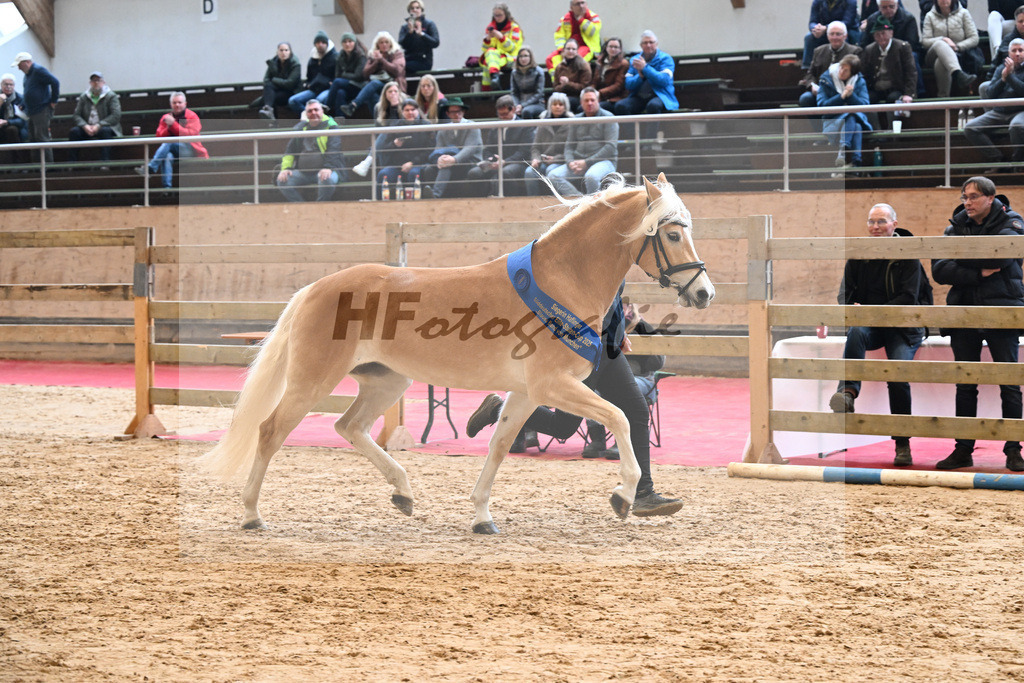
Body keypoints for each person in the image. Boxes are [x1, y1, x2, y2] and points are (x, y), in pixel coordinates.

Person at [465, 284, 684, 517]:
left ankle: (643, 493)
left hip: (609, 346)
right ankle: (498, 409)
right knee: (563, 427)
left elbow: (613, 294)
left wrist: (620, 330)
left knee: (637, 410)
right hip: (584, 346)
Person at [931, 177, 1024, 472]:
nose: (967, 202)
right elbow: (939, 269)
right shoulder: (953, 227)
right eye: (964, 197)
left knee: (1009, 384)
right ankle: (963, 450)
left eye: (972, 197)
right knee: (965, 383)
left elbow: (1003, 256)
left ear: (990, 197)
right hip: (964, 313)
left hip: (1003, 311)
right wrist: (980, 273)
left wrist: (962, 259)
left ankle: (1013, 450)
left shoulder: (1013, 221)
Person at [828, 203, 929, 467]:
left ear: (894, 224)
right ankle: (847, 392)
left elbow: (908, 298)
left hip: (904, 327)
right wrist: (852, 308)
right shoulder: (858, 255)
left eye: (881, 221)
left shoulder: (909, 255)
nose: (875, 227)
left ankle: (902, 443)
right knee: (856, 331)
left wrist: (870, 311)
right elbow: (844, 295)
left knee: (896, 376)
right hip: (871, 325)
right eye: (871, 222)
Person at [964, 38, 1024, 172]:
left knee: (1017, 126)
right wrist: (1003, 79)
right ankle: (998, 159)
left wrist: (1009, 76)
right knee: (970, 128)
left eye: (1021, 50)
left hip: (1020, 110)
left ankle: (1017, 163)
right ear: (1009, 54)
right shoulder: (1000, 69)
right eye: (1014, 51)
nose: (1017, 53)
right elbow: (990, 95)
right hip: (999, 111)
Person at [547, 87, 617, 196]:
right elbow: (569, 146)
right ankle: (580, 202)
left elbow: (610, 147)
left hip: (604, 161)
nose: (589, 103)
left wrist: (587, 162)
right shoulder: (576, 119)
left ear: (598, 101)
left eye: (592, 100)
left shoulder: (608, 117)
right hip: (578, 162)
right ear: (581, 102)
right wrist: (570, 162)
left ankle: (593, 207)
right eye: (586, 100)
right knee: (553, 175)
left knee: (591, 177)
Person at [134, 91, 209, 189]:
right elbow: (159, 137)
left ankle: (151, 168)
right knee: (167, 156)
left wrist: (173, 124)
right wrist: (168, 128)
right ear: (171, 104)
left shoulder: (192, 116)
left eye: (179, 102)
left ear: (185, 104)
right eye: (174, 103)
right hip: (173, 150)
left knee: (169, 143)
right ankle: (167, 189)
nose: (177, 105)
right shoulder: (166, 118)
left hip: (190, 150)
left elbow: (190, 135)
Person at [275, 99, 345, 203]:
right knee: (282, 181)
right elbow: (289, 151)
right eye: (310, 111)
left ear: (322, 111)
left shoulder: (331, 127)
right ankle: (302, 207)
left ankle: (319, 207)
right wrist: (285, 168)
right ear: (306, 114)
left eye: (316, 110)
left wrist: (328, 168)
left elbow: (333, 150)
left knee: (327, 179)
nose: (313, 113)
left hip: (328, 170)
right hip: (303, 173)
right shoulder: (300, 128)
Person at [466, 94, 534, 196]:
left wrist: (505, 161)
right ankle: (480, 203)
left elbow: (524, 152)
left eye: (505, 114)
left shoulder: (525, 126)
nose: (502, 117)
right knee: (474, 173)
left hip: (518, 163)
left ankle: (512, 202)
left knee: (505, 172)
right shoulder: (495, 127)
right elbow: (488, 149)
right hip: (496, 163)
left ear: (514, 109)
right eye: (500, 115)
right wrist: (491, 160)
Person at [817, 54, 871, 173]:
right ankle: (855, 160)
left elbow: (865, 105)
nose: (841, 71)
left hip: (851, 123)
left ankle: (844, 152)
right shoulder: (826, 79)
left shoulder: (859, 82)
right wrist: (841, 97)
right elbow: (822, 105)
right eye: (841, 67)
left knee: (853, 119)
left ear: (853, 73)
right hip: (832, 121)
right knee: (852, 118)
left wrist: (851, 96)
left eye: (846, 70)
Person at [861, 17, 917, 128]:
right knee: (867, 99)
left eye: (883, 33)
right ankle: (874, 131)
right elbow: (864, 74)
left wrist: (909, 93)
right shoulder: (869, 50)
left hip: (896, 87)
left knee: (894, 99)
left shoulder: (902, 47)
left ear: (891, 33)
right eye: (877, 34)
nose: (881, 37)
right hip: (876, 88)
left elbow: (911, 72)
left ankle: (892, 132)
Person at [422, 97, 483, 199]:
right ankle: (433, 195)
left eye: (459, 111)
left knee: (447, 165)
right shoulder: (443, 129)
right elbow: (438, 150)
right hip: (450, 163)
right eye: (453, 112)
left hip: (470, 161)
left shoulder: (472, 126)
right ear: (448, 113)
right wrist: (439, 159)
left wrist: (454, 159)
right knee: (429, 168)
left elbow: (469, 149)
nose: (457, 114)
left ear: (463, 112)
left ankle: (435, 195)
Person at [614, 31, 678, 125]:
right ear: (641, 45)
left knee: (653, 105)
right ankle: (631, 138)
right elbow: (628, 84)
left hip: (660, 96)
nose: (648, 45)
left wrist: (645, 68)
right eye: (645, 43)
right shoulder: (634, 60)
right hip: (639, 97)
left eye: (651, 42)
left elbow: (663, 80)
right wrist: (640, 76)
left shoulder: (666, 59)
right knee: (620, 106)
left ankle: (651, 139)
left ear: (656, 44)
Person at [339, 31, 406, 119]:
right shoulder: (373, 55)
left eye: (386, 42)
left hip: (393, 85)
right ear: (377, 45)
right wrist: (376, 61)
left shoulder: (397, 54)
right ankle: (379, 122)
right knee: (371, 94)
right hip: (378, 86)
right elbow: (365, 74)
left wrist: (382, 60)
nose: (384, 44)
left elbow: (396, 71)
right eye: (381, 42)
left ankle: (353, 105)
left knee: (374, 83)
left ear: (390, 43)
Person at [922, 0, 982, 98]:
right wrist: (943, 39)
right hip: (933, 54)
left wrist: (957, 47)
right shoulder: (929, 16)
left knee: (940, 62)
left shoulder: (963, 13)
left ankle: (943, 98)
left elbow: (974, 38)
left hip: (958, 54)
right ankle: (958, 73)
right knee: (940, 43)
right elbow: (925, 41)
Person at [375, 98, 433, 197]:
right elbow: (383, 148)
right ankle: (378, 203)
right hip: (398, 166)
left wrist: (412, 163)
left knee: (413, 174)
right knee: (383, 174)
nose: (410, 112)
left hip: (418, 164)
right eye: (407, 110)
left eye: (413, 109)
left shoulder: (427, 126)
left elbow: (430, 149)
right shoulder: (395, 126)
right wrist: (394, 144)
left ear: (417, 111)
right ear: (402, 112)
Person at [799, 21, 863, 109]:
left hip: (843, 90)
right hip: (822, 90)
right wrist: (812, 86)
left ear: (845, 36)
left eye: (838, 34)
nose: (834, 37)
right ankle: (818, 123)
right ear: (827, 36)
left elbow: (856, 75)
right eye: (831, 34)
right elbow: (810, 74)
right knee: (805, 98)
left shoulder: (855, 51)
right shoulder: (819, 51)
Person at [351, 82, 406, 178]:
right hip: (386, 141)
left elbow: (397, 125)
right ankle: (383, 178)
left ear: (399, 93)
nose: (393, 94)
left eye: (395, 91)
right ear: (385, 94)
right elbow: (377, 129)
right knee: (381, 147)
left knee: (385, 133)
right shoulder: (379, 107)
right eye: (390, 91)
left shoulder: (406, 104)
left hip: (403, 137)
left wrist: (394, 107)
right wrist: (375, 145)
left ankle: (368, 161)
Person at [11, 52, 58, 163]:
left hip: (41, 110)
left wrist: (53, 101)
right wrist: (23, 104)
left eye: (19, 65)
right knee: (33, 138)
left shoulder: (38, 71)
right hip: (32, 111)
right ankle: (37, 166)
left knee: (42, 138)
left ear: (27, 62)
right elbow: (28, 92)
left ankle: (47, 167)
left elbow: (55, 82)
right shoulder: (28, 75)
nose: (18, 68)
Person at [67, 72, 121, 166]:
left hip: (104, 126)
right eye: (93, 81)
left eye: (98, 80)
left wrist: (99, 125)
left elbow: (116, 115)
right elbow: (76, 115)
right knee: (74, 132)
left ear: (103, 82)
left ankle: (105, 163)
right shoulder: (84, 96)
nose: (96, 83)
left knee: (105, 132)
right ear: (90, 83)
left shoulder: (111, 96)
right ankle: (72, 164)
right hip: (87, 127)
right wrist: (84, 126)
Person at [524, 92, 572, 195]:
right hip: (543, 161)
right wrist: (535, 159)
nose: (557, 107)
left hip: (562, 162)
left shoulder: (571, 124)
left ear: (565, 106)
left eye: (560, 104)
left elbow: (572, 149)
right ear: (550, 106)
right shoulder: (543, 123)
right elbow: (535, 147)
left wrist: (556, 159)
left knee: (551, 170)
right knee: (529, 172)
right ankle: (532, 201)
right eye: (554, 104)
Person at [287, 31, 338, 114]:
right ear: (315, 44)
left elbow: (338, 75)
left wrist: (331, 83)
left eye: (323, 42)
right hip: (314, 89)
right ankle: (309, 117)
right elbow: (309, 77)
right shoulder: (312, 59)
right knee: (293, 101)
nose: (320, 45)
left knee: (318, 101)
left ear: (327, 44)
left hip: (328, 89)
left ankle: (317, 119)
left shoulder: (335, 57)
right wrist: (308, 84)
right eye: (318, 42)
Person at [546, 0, 602, 73]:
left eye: (583, 3)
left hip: (587, 48)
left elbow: (592, 32)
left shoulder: (593, 17)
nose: (581, 6)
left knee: (574, 59)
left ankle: (570, 81)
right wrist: (562, 50)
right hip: (568, 48)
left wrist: (581, 20)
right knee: (550, 59)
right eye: (578, 4)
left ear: (586, 4)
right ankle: (557, 82)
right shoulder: (565, 19)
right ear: (571, 7)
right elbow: (559, 36)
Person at [803, 0, 860, 69]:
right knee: (809, 38)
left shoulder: (850, 1)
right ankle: (807, 68)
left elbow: (847, 22)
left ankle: (844, 67)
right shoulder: (817, 1)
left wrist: (826, 28)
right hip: (824, 31)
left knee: (841, 37)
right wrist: (816, 28)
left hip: (847, 29)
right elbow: (812, 22)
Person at [480, 3, 524, 91]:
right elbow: (485, 49)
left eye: (500, 15)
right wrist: (488, 39)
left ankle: (488, 88)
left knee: (490, 57)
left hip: (510, 58)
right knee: (489, 54)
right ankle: (493, 80)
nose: (497, 18)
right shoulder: (490, 28)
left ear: (506, 14)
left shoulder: (514, 28)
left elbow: (512, 48)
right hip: (494, 58)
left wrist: (501, 38)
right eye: (495, 15)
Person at [324, 34, 366, 118]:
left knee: (337, 82)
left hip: (358, 85)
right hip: (346, 85)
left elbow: (358, 76)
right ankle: (341, 119)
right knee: (340, 92)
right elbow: (337, 74)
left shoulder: (361, 55)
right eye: (345, 42)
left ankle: (326, 107)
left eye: (350, 41)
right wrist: (345, 75)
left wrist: (344, 74)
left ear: (354, 43)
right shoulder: (340, 56)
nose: (347, 44)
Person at [258, 42, 301, 120]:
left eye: (286, 50)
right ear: (277, 52)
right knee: (269, 93)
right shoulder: (273, 62)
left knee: (269, 97)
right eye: (281, 50)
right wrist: (275, 82)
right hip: (277, 91)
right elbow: (266, 80)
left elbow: (290, 84)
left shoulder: (295, 64)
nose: (283, 53)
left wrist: (274, 80)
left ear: (290, 52)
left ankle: (272, 120)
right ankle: (268, 110)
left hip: (291, 92)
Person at [398, 0, 440, 75]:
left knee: (398, 68)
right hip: (408, 59)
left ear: (421, 10)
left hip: (424, 61)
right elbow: (402, 44)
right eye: (412, 8)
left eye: (417, 8)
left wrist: (422, 34)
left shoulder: (429, 24)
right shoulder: (405, 27)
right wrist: (409, 33)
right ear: (409, 11)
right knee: (396, 66)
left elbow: (436, 43)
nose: (415, 10)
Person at [551, 39, 592, 111]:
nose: (571, 51)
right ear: (564, 50)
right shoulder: (559, 66)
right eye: (568, 49)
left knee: (566, 102)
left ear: (577, 51)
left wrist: (568, 84)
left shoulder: (583, 65)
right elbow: (555, 88)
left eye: (573, 49)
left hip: (578, 97)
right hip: (562, 96)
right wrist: (562, 86)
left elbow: (584, 87)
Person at [590, 37, 628, 112]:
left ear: (620, 49)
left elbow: (618, 86)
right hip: (599, 96)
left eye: (616, 47)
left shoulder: (624, 64)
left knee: (594, 108)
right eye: (610, 46)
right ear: (606, 48)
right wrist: (591, 92)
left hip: (614, 98)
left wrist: (600, 93)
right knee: (582, 106)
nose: (613, 49)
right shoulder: (600, 62)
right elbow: (594, 82)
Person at [509, 46, 546, 119]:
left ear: (530, 57)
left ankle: (529, 131)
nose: (523, 59)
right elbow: (514, 92)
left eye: (525, 56)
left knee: (526, 111)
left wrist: (522, 105)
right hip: (519, 103)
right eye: (521, 56)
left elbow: (538, 93)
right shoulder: (514, 72)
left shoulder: (538, 71)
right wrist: (517, 105)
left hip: (537, 103)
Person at [0, 73, 28, 164]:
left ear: (14, 86)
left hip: (16, 127)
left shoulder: (20, 98)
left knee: (12, 130)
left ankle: (18, 162)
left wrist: (7, 122)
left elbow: (22, 120)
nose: (8, 87)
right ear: (1, 85)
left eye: (11, 84)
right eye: (5, 84)